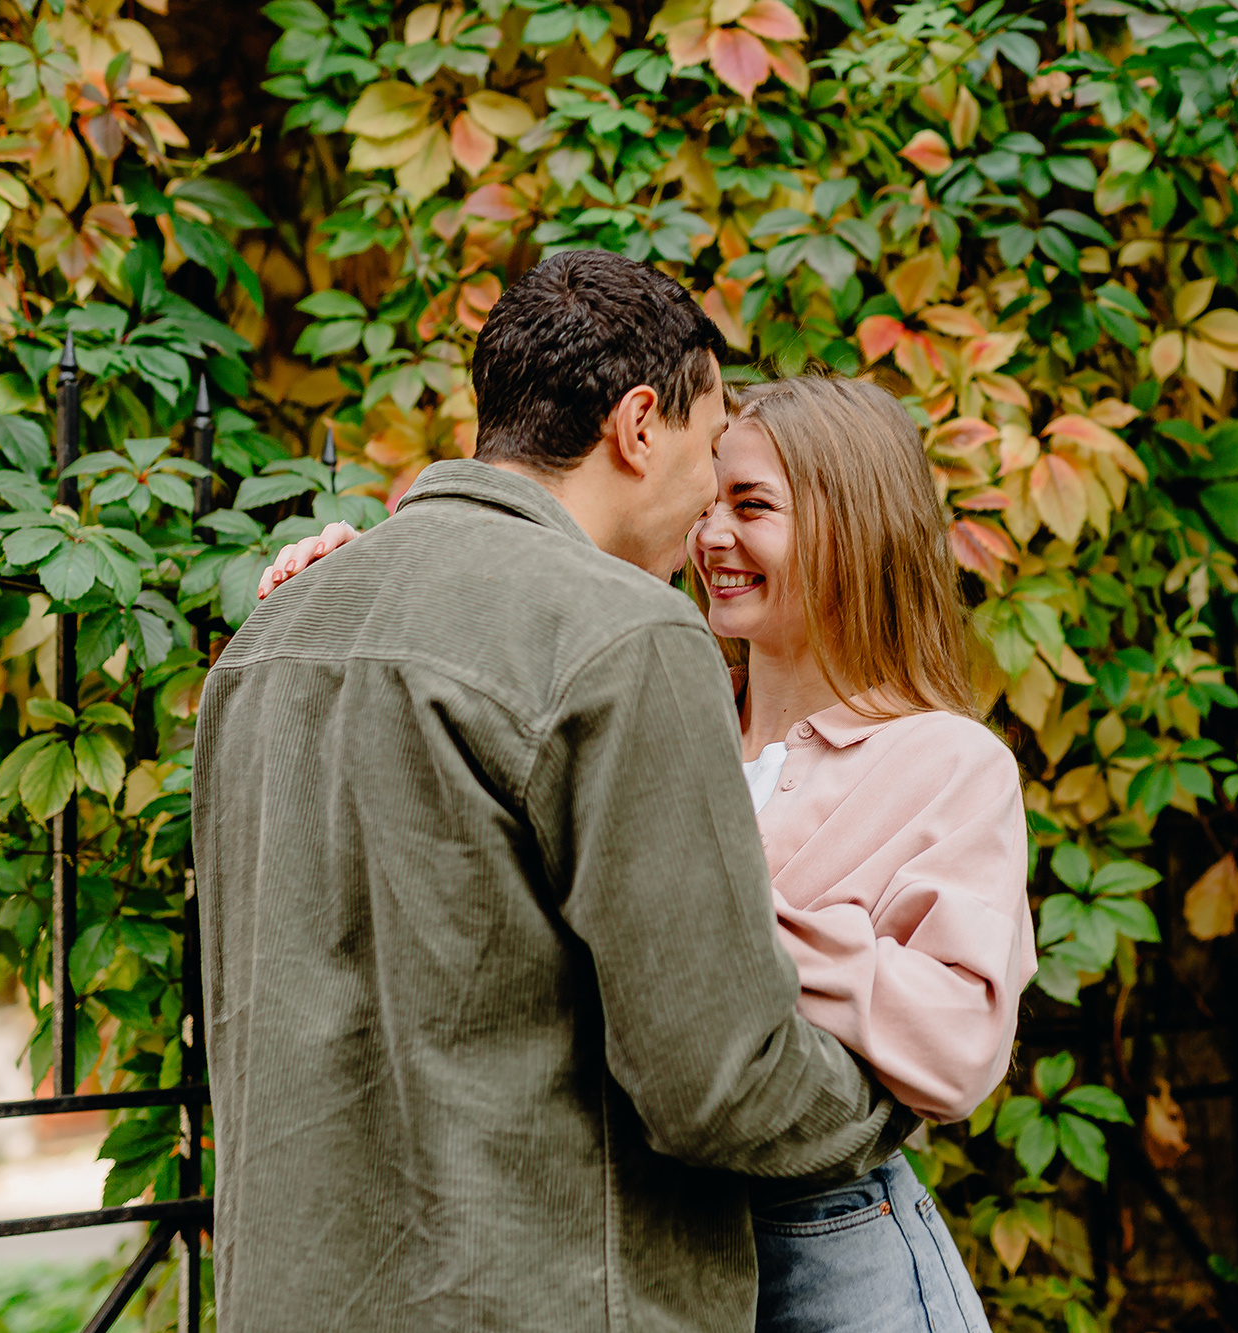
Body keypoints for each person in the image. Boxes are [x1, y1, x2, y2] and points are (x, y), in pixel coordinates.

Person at [194, 249, 913, 1333]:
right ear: (636, 426)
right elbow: (718, 1080)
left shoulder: (268, 635)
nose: (712, 510)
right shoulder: (622, 631)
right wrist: (888, 1088)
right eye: (711, 452)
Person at [260, 375, 1037, 1333]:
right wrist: (359, 591)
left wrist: (724, 926)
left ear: (857, 523)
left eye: (753, 507)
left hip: (833, 1248)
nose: (712, 539)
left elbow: (959, 1045)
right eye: (709, 506)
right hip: (644, 1239)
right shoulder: (654, 690)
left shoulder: (949, 762)